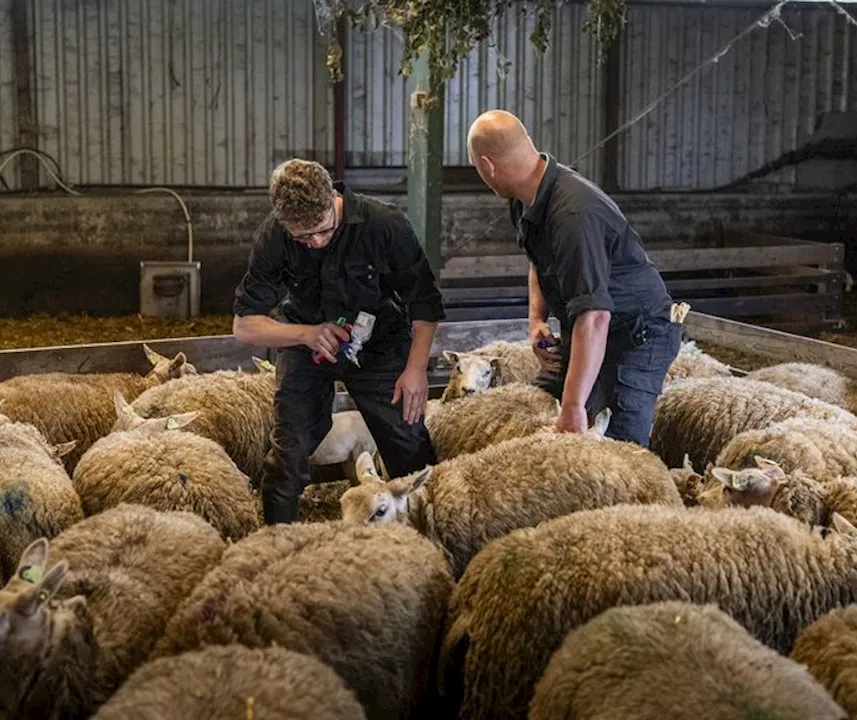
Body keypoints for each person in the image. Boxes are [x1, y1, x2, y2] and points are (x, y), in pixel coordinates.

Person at [232, 158, 444, 524]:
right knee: (288, 452)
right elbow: (244, 326)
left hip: (379, 345)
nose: (314, 242)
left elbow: (425, 303)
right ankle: (276, 544)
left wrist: (416, 368)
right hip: (307, 344)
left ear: (334, 198)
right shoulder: (274, 236)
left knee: (408, 445)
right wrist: (306, 334)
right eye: (302, 237)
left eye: (323, 231)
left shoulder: (384, 225)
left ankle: (428, 536)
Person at [466, 109, 680, 447]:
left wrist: (573, 405)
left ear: (488, 166)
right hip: (588, 326)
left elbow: (595, 316)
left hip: (636, 332)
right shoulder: (525, 198)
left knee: (618, 446)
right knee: (541, 416)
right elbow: (538, 259)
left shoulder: (573, 214)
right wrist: (536, 319)